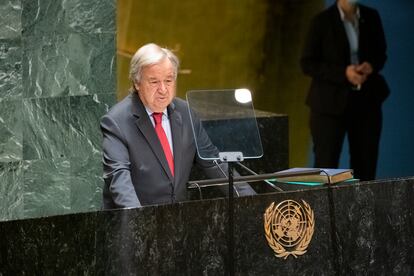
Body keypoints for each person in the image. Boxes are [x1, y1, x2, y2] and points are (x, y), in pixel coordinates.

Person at [101, 43, 255, 209]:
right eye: (154, 82)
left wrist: (254, 203)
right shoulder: (116, 121)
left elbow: (214, 163)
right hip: (136, 224)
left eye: (168, 80)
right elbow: (119, 180)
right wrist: (140, 224)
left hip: (178, 223)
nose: (163, 89)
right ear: (137, 83)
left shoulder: (185, 112)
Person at [300, 0, 390, 181]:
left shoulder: (371, 16)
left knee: (366, 165)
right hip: (328, 105)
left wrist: (370, 66)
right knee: (325, 165)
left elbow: (381, 53)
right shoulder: (321, 21)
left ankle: (362, 209)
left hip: (366, 102)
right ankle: (323, 209)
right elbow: (307, 63)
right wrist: (344, 73)